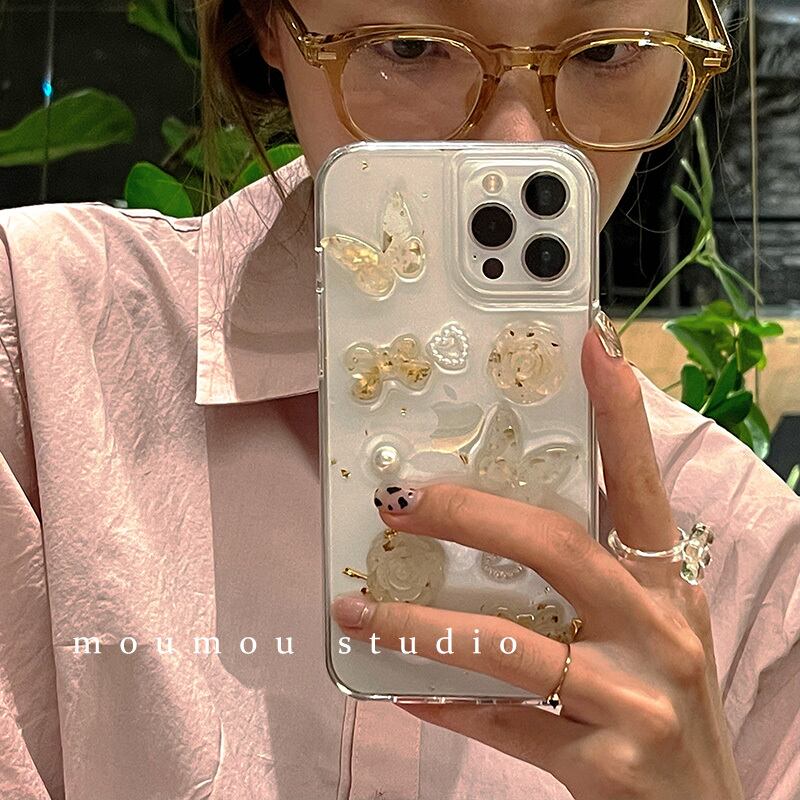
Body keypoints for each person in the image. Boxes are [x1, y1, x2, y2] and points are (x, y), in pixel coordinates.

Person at [0, 0, 797, 798]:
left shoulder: (752, 559)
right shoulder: (36, 352)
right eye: (409, 47)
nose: (518, 148)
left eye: (607, 53)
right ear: (268, 24)